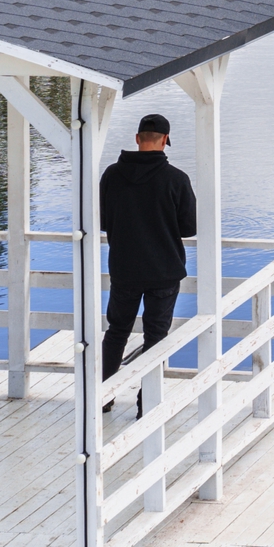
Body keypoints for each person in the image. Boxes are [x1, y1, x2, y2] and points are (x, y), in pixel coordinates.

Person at [99, 111, 197, 387]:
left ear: (137, 138)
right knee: (156, 335)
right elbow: (189, 227)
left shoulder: (112, 175)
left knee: (117, 331)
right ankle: (147, 402)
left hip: (124, 269)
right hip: (164, 270)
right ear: (165, 140)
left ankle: (104, 396)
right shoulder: (176, 179)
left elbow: (103, 221)